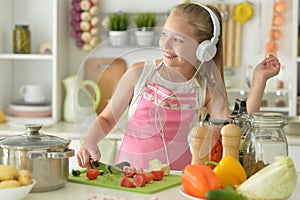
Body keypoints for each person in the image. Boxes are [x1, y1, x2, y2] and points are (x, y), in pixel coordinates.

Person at [76, 3, 280, 170]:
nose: (165, 45)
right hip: (130, 175)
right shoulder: (139, 73)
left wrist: (259, 80)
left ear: (204, 49)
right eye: (164, 34)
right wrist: (90, 140)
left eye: (178, 40)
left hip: (178, 179)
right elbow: (106, 118)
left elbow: (237, 128)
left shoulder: (204, 88)